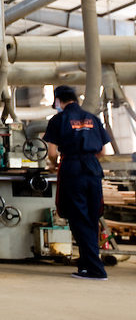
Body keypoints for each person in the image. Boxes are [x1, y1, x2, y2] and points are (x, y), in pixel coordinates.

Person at [43, 85, 109, 281]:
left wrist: (54, 165)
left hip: (73, 169)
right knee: (91, 216)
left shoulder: (58, 119)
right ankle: (86, 265)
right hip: (93, 169)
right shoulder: (94, 119)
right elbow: (103, 152)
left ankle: (96, 269)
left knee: (78, 218)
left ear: (58, 100)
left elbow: (53, 153)